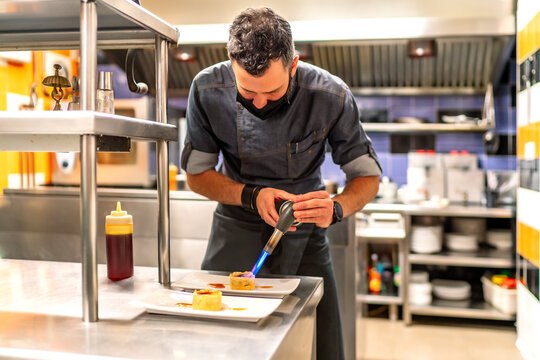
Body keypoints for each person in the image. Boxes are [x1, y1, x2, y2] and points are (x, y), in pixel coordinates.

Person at [181, 7, 381, 360]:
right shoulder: (207, 89)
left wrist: (335, 208)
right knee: (218, 342)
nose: (259, 102)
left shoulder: (331, 96)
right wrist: (250, 195)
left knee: (321, 344)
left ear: (294, 65)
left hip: (304, 236)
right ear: (231, 64)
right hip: (234, 229)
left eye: (272, 93)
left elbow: (367, 178)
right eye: (247, 92)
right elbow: (196, 176)